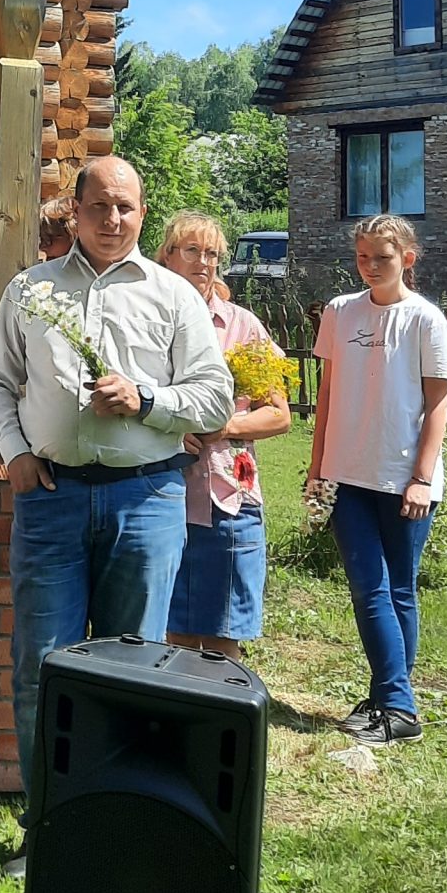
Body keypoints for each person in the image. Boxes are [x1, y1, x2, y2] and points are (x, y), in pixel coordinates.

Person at [0, 156, 232, 877]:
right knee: (43, 669)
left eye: (125, 208)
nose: (112, 220)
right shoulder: (32, 290)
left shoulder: (174, 297)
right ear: (75, 211)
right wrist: (15, 451)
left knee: (131, 670)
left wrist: (146, 400)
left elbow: (215, 398)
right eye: (99, 207)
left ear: (142, 213)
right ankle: (49, 826)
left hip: (145, 499)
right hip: (50, 501)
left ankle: (112, 823)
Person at [308, 214, 447, 747]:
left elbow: (438, 403)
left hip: (404, 481)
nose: (372, 267)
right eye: (363, 257)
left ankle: (392, 703)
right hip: (348, 475)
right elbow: (326, 396)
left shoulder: (427, 321)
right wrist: (317, 466)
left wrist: (420, 478)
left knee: (398, 592)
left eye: (384, 258)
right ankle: (394, 703)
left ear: (407, 260)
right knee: (370, 589)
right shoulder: (339, 313)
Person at [155, 213, 291, 662]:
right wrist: (169, 427)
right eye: (192, 250)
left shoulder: (242, 326)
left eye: (212, 253)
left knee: (222, 636)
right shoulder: (146, 320)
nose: (204, 262)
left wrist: (224, 427)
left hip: (228, 496)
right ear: (167, 256)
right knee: (171, 635)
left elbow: (278, 415)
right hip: (161, 493)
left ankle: (220, 725)